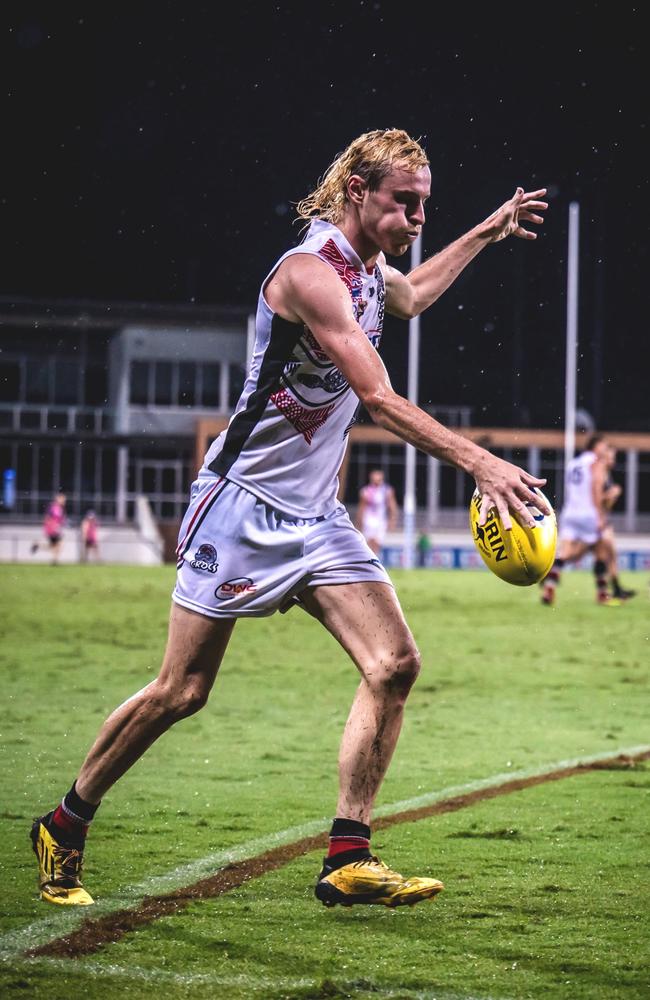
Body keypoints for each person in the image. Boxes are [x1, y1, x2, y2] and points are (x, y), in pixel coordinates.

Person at [31, 128, 549, 909]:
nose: (416, 218)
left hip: (316, 515)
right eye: (402, 203)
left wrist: (484, 229)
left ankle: (348, 856)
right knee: (182, 691)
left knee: (394, 663)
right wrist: (480, 461)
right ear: (356, 192)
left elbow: (412, 296)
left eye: (424, 206)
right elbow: (376, 398)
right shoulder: (310, 275)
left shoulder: (374, 273)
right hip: (240, 506)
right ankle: (64, 825)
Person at [540, 434, 620, 606]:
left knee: (565, 553)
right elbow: (595, 489)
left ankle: (549, 586)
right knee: (601, 552)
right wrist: (599, 516)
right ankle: (602, 593)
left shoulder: (573, 463)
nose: (605, 451)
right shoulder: (596, 463)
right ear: (595, 447)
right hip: (588, 513)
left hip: (570, 513)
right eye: (603, 447)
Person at [601, 444, 636, 601]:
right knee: (573, 554)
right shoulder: (599, 474)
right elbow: (593, 501)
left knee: (608, 555)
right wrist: (611, 494)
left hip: (602, 520)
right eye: (611, 457)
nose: (613, 461)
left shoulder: (606, 474)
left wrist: (611, 497)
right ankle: (609, 591)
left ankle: (613, 590)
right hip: (596, 521)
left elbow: (606, 504)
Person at [355, 468, 398, 556]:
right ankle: (370, 559)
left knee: (378, 542)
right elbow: (362, 508)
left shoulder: (387, 490)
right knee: (369, 542)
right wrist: (359, 521)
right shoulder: (366, 491)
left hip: (380, 520)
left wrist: (392, 520)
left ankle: (375, 559)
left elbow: (392, 506)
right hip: (369, 520)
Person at [30, 492, 67, 565]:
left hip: (55, 529)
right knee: (59, 544)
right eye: (63, 499)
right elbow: (47, 518)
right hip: (52, 530)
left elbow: (60, 520)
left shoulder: (60, 508)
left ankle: (38, 545)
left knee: (53, 545)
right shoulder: (54, 507)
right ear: (58, 499)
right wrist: (52, 527)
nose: (64, 501)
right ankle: (54, 561)